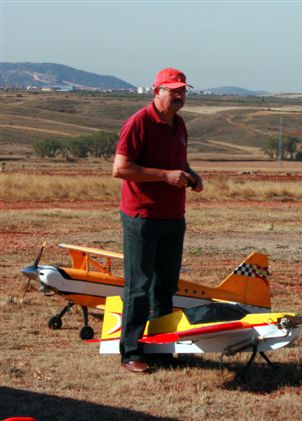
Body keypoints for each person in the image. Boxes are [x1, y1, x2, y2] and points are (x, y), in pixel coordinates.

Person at [112, 67, 203, 374]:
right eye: (174, 90)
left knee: (165, 286)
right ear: (157, 91)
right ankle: (131, 351)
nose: (180, 96)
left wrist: (190, 175)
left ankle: (161, 347)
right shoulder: (139, 122)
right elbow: (121, 169)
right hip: (142, 216)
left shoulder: (179, 124)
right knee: (139, 285)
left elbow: (179, 161)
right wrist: (166, 176)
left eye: (183, 91)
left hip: (174, 216)